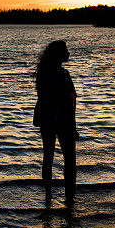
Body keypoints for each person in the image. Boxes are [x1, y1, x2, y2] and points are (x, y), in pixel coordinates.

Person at [33, 40, 78, 205]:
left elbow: (72, 100)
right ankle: (57, 197)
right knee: (57, 158)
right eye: (66, 50)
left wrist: (73, 126)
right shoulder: (51, 74)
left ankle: (59, 197)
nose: (69, 53)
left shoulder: (61, 73)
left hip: (58, 120)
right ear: (59, 54)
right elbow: (66, 100)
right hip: (55, 120)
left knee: (57, 158)